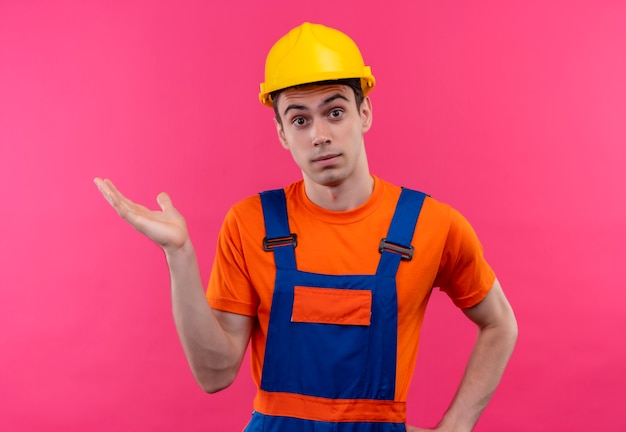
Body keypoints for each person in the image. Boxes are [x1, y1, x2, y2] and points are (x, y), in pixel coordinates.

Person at [95, 22, 517, 432]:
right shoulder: (251, 223)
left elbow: (500, 323)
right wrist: (179, 256)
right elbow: (214, 374)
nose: (320, 135)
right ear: (281, 132)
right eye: (299, 120)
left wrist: (456, 427)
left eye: (335, 112)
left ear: (364, 112)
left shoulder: (431, 224)